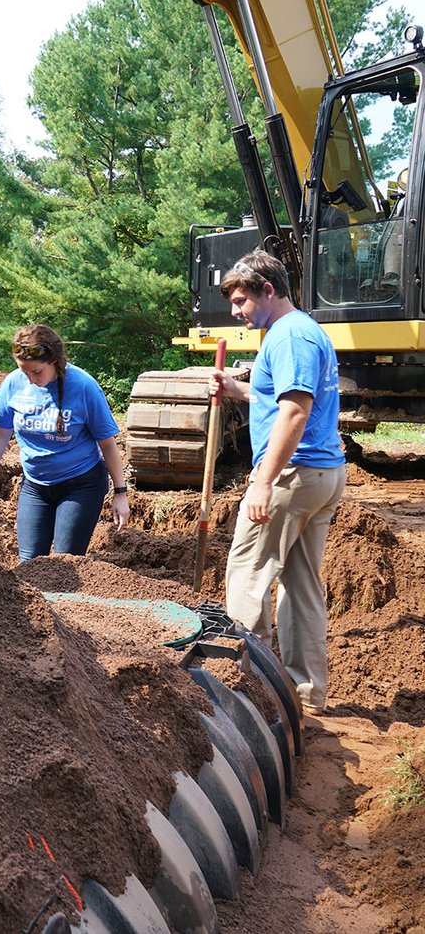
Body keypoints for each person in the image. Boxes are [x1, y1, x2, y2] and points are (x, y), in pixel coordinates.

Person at [209, 250, 345, 716]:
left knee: (248, 574)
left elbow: (294, 413)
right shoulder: (302, 330)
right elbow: (280, 397)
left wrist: (264, 481)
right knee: (300, 584)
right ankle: (305, 694)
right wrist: (239, 389)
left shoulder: (289, 336)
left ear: (268, 290)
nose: (235, 311)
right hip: (321, 473)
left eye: (241, 301)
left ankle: (247, 693)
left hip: (292, 475)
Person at [0, 324, 129, 561]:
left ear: (54, 360)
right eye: (24, 372)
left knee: (64, 561)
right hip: (35, 486)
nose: (30, 380)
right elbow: (2, 433)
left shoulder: (84, 386)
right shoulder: (14, 383)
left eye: (36, 372)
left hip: (81, 484)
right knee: (29, 562)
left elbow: (107, 444)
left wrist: (120, 492)